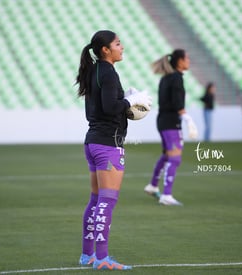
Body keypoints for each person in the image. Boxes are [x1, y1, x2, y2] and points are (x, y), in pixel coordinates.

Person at [75, 30, 151, 270]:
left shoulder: (94, 70)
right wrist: (131, 101)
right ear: (105, 50)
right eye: (118, 43)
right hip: (108, 144)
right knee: (106, 202)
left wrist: (125, 98)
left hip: (93, 141)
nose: (122, 47)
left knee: (96, 200)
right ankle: (102, 258)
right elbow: (110, 108)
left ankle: (88, 255)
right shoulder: (108, 73)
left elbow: (100, 107)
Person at [144, 49, 197, 206]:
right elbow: (177, 102)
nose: (189, 60)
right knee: (175, 158)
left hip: (163, 121)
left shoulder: (167, 77)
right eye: (187, 58)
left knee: (167, 155)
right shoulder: (176, 78)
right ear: (179, 61)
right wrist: (187, 119)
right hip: (171, 122)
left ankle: (153, 186)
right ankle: (166, 195)